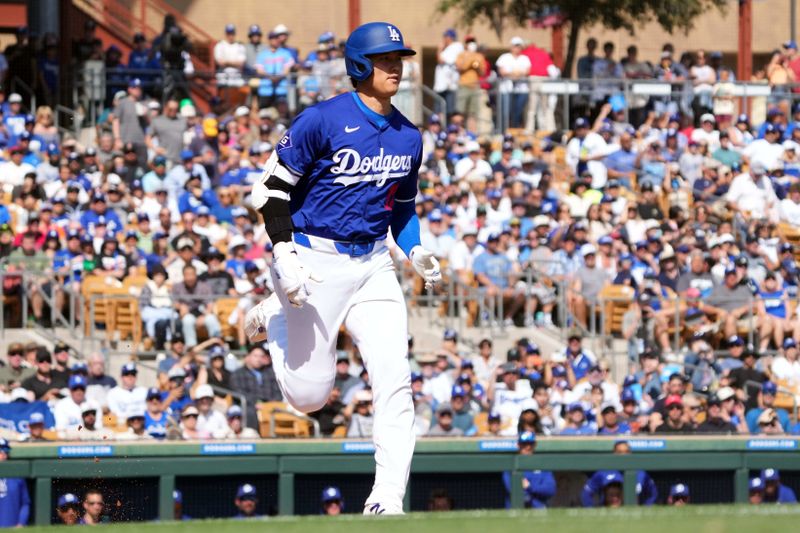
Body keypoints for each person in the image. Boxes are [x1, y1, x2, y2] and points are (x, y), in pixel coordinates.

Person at [244, 22, 439, 516]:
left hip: (374, 264)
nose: (396, 67)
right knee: (310, 398)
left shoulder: (409, 136)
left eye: (400, 58)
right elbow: (269, 191)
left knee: (395, 377)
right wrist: (284, 252)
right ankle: (276, 313)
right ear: (358, 65)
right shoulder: (321, 120)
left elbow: (403, 209)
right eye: (385, 59)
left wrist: (415, 250)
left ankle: (387, 498)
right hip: (311, 260)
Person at [230, 346, 282, 430]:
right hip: (250, 405)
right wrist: (255, 403)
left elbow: (278, 392)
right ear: (248, 357)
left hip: (270, 405)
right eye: (255, 356)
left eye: (261, 356)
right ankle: (254, 436)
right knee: (250, 412)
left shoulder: (270, 373)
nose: (258, 359)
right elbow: (238, 392)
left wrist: (270, 404)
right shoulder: (238, 374)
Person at [502, 431, 555, 509]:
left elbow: (550, 489)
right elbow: (513, 490)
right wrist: (535, 493)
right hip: (516, 509)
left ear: (535, 445)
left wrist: (530, 487)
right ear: (518, 445)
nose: (528, 447)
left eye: (530, 444)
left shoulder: (542, 465)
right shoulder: (510, 465)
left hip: (539, 510)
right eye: (524, 444)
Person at [0, 439, 29, 527]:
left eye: (5, 450)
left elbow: (25, 503)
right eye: (0, 451)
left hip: (11, 526)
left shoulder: (16, 475)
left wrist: (21, 523)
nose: (3, 454)